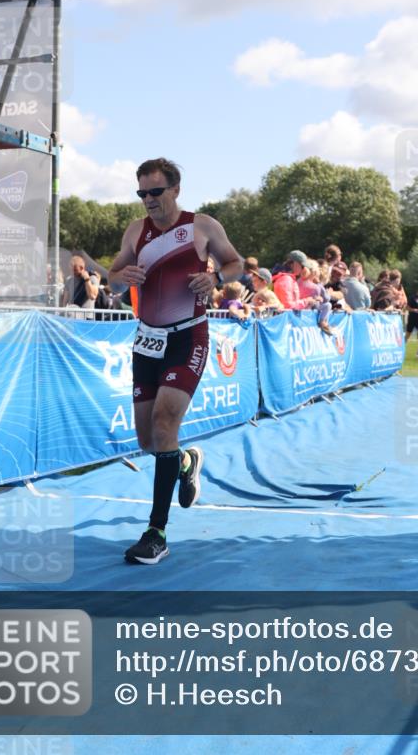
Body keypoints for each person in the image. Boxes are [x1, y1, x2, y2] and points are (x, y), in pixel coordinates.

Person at [108, 157, 242, 565]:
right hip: (147, 340)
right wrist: (123, 277)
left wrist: (216, 278)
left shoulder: (202, 226)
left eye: (155, 191)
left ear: (175, 190)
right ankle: (186, 461)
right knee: (148, 440)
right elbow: (113, 276)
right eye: (142, 193)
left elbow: (235, 263)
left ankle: (156, 533)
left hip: (189, 336)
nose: (148, 200)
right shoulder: (137, 231)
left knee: (166, 424)